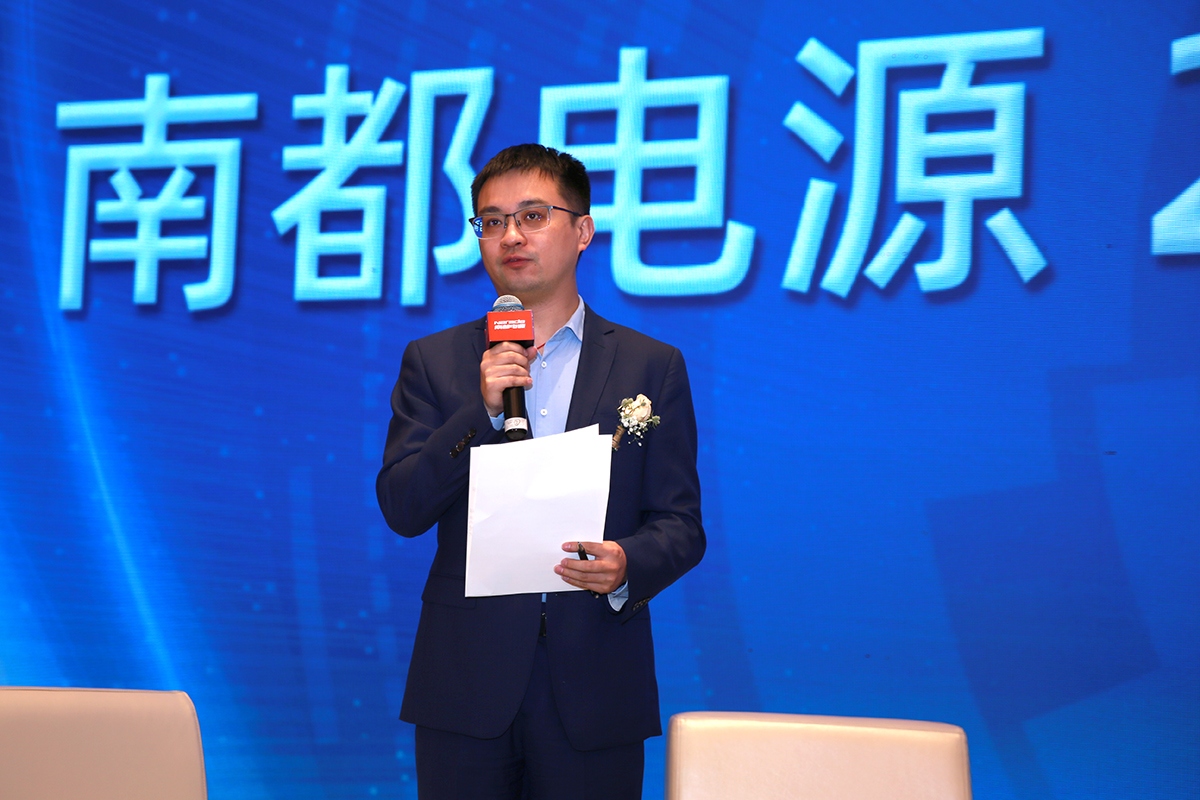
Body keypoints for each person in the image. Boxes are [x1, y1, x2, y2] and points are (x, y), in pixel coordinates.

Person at [376, 143, 705, 799]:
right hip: (465, 684)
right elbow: (403, 507)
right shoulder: (434, 361)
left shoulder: (650, 366)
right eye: (492, 221)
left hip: (597, 682)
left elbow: (680, 524)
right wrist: (479, 411)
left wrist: (626, 565)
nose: (510, 236)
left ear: (583, 231)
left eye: (532, 215)